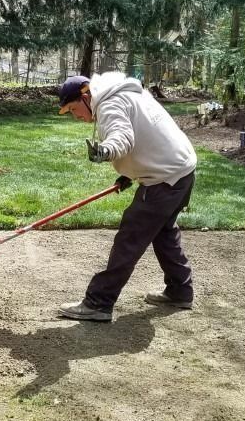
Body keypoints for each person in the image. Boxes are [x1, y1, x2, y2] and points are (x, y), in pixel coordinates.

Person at [56, 73, 197, 322]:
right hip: (182, 172)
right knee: (163, 232)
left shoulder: (110, 104)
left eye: (73, 108)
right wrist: (131, 174)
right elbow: (147, 135)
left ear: (86, 96)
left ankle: (99, 302)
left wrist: (106, 151)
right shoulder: (127, 93)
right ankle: (180, 290)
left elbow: (123, 137)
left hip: (164, 179)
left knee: (130, 237)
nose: (75, 116)